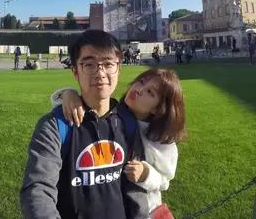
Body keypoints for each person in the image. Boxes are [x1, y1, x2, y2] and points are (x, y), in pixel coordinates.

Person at [21, 30, 147, 219]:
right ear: (75, 72)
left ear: (119, 68)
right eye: (89, 65)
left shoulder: (128, 121)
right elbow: (37, 190)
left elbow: (135, 188)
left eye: (108, 64)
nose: (100, 73)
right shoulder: (55, 126)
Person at [56, 67, 186, 218]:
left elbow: (165, 181)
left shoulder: (161, 141)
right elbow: (82, 113)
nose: (139, 90)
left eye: (150, 92)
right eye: (141, 82)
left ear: (158, 108)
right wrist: (68, 94)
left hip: (145, 211)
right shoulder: (112, 115)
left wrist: (146, 174)